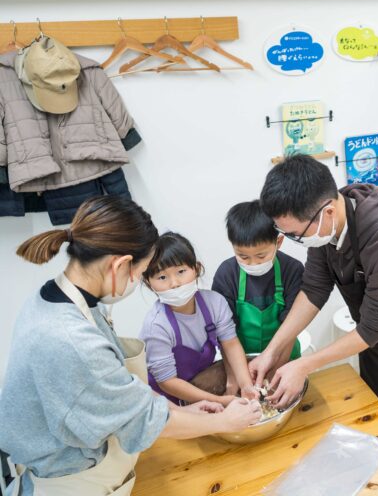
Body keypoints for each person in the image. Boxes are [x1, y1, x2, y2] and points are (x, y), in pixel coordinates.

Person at [0, 196, 262, 496]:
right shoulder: (72, 341)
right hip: (70, 482)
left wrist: (191, 413)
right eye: (145, 272)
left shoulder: (59, 301)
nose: (140, 281)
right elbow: (145, 422)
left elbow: (122, 391)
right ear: (121, 265)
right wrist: (225, 422)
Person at [250, 156, 378, 471]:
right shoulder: (327, 225)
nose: (296, 242)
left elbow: (371, 329)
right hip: (374, 341)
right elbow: (314, 289)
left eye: (295, 235)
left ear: (327, 211)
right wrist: (272, 350)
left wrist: (304, 365)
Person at [140, 232, 256, 406]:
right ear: (149, 282)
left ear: (196, 269)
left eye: (181, 271)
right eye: (162, 277)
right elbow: (167, 382)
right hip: (166, 400)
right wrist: (218, 400)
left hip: (200, 384)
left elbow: (230, 344)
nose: (174, 283)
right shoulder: (156, 326)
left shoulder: (214, 303)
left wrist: (246, 385)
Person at [212, 200, 305, 362]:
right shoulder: (226, 274)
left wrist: (275, 372)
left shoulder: (292, 270)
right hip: (241, 358)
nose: (253, 263)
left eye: (261, 256)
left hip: (285, 356)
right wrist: (238, 375)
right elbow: (225, 332)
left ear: (279, 242)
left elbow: (291, 325)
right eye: (243, 256)